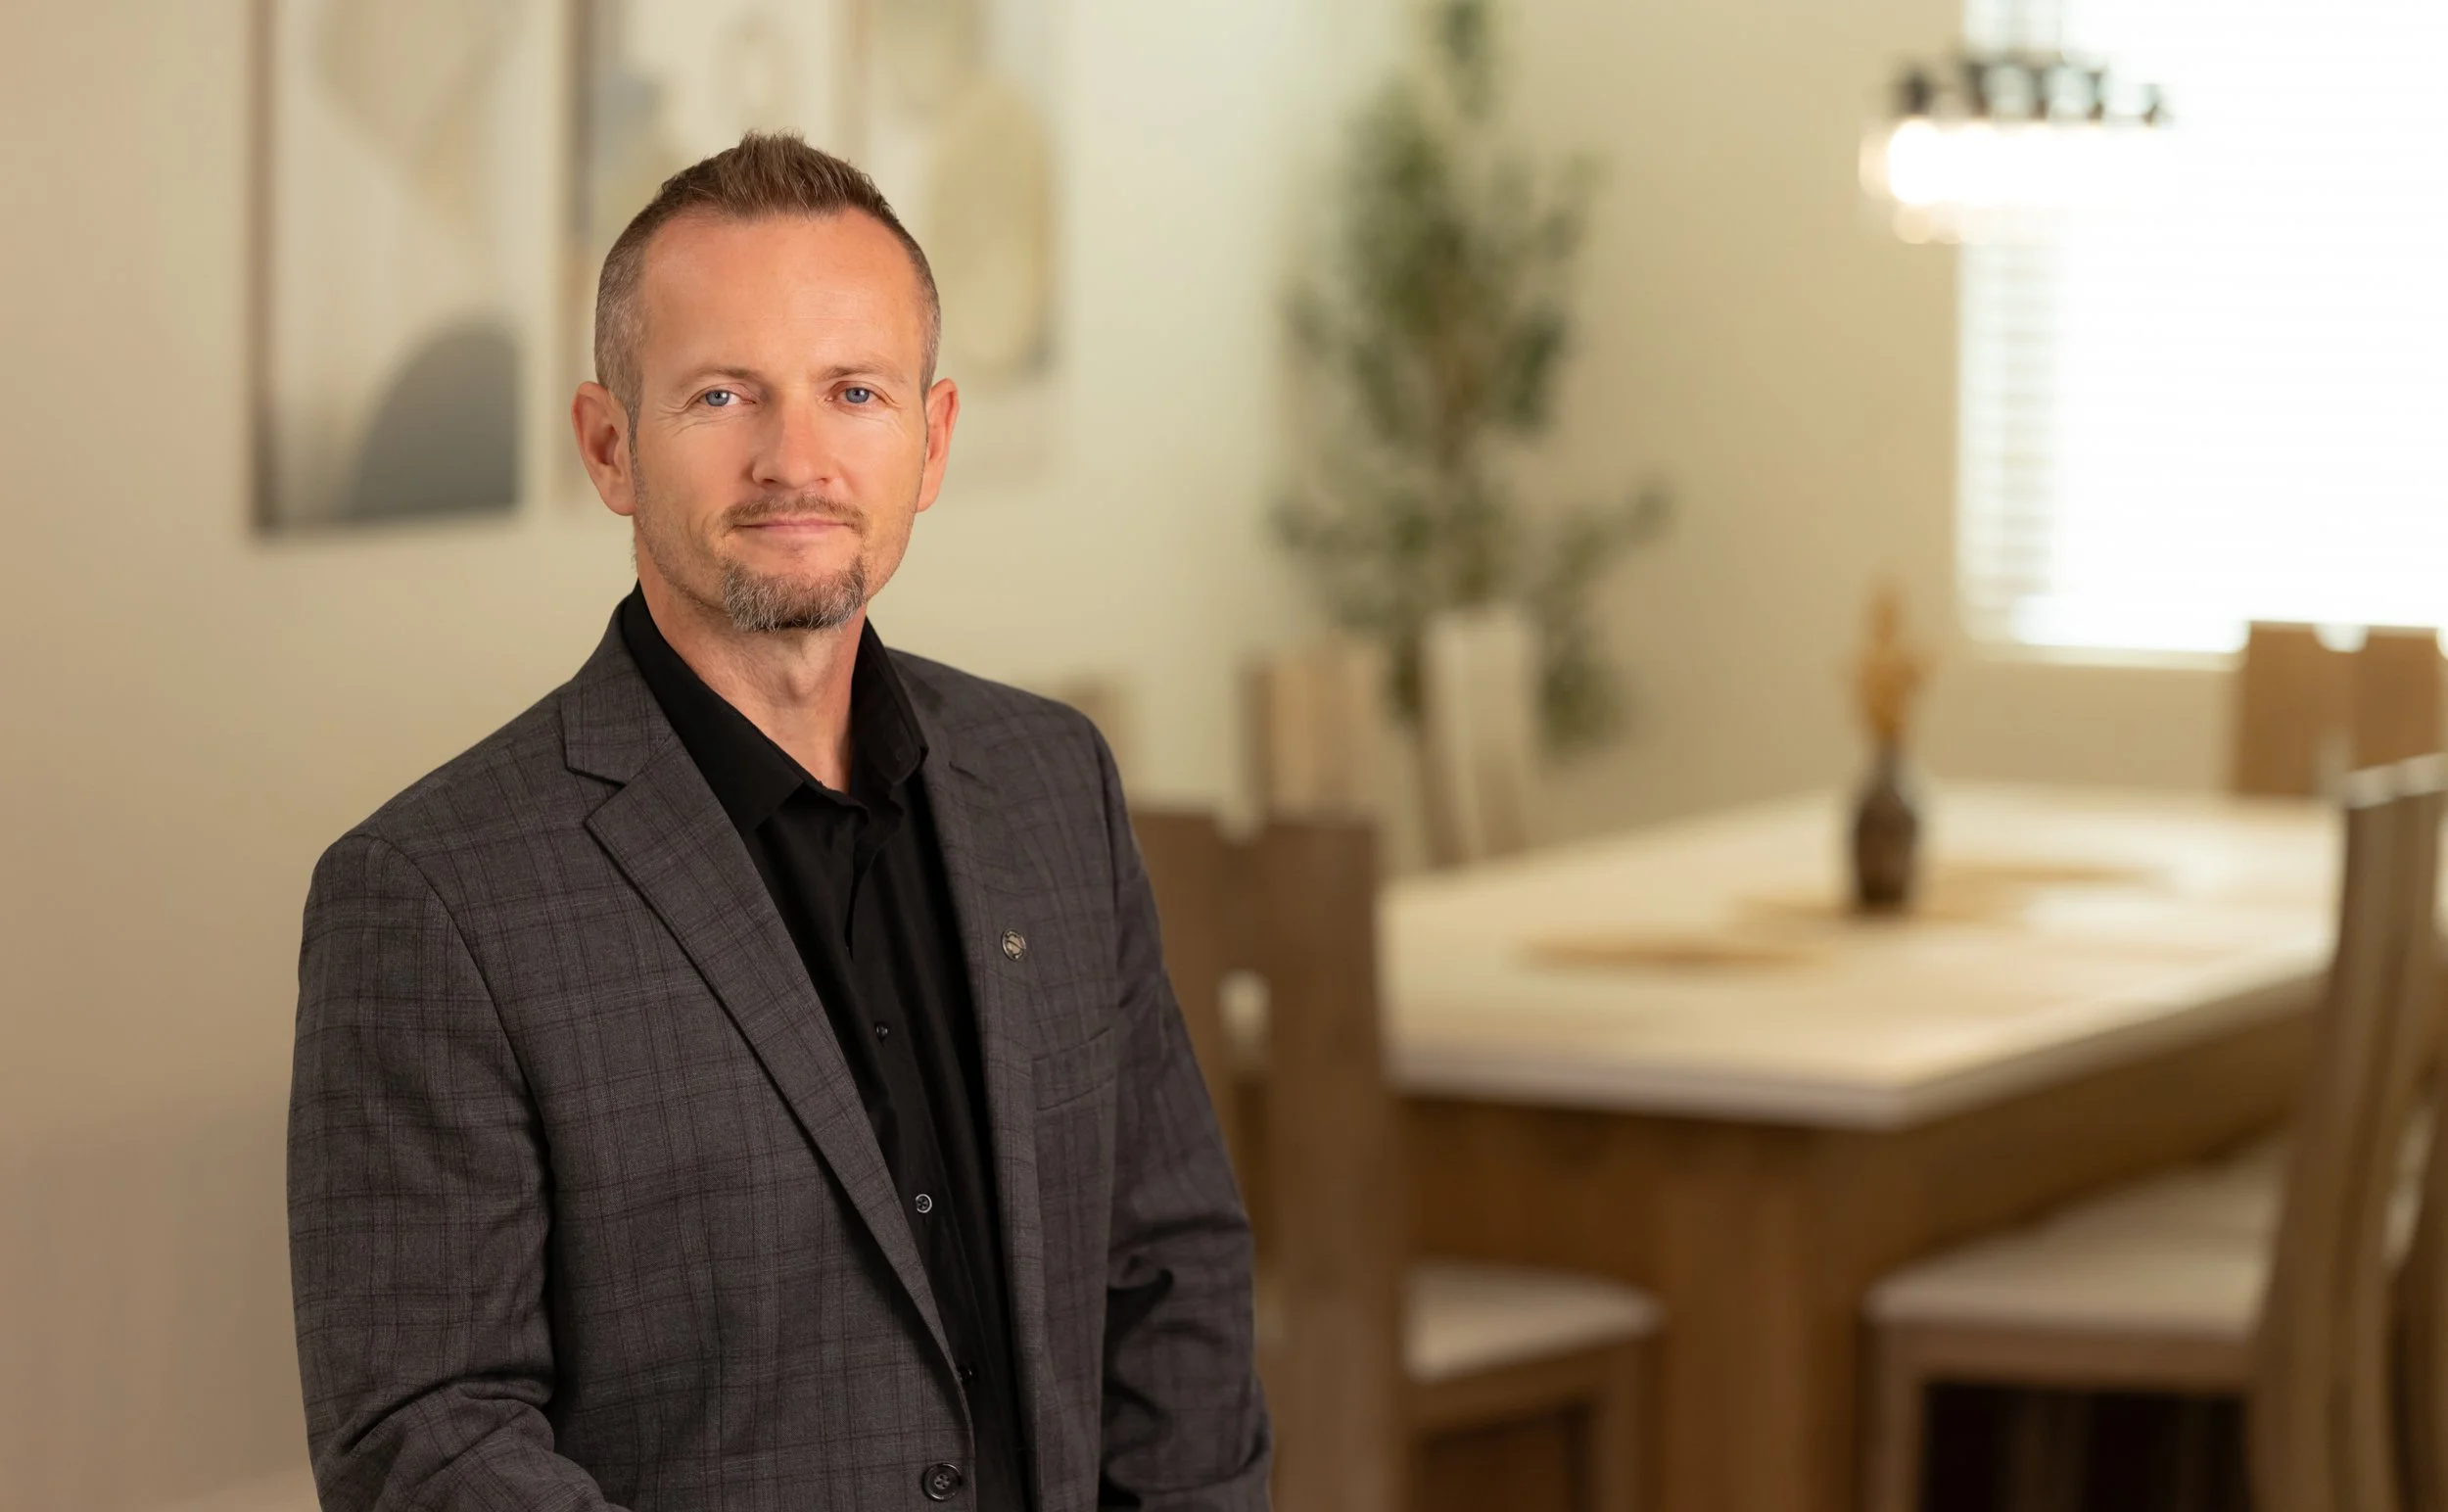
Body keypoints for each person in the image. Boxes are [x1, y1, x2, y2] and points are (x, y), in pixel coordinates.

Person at [287, 132, 1268, 1512]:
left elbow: (1167, 1268)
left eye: (854, 392)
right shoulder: (432, 898)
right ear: (610, 446)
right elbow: (427, 1439)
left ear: (931, 440)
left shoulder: (1054, 783)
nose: (793, 460)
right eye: (722, 396)